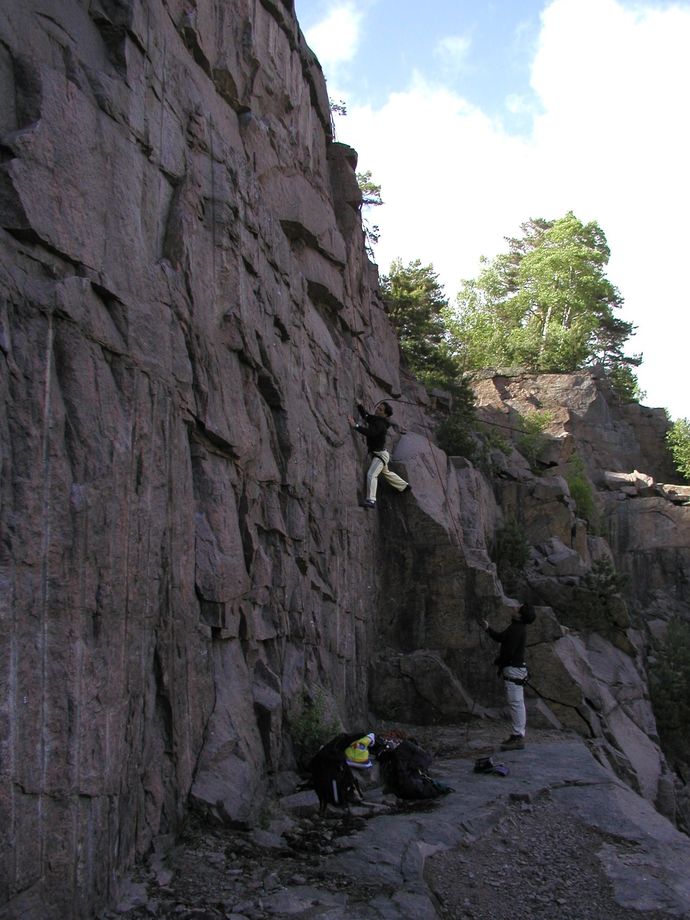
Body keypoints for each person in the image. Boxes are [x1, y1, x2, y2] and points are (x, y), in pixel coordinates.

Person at [482, 603, 536, 750]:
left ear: (520, 614)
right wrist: (488, 629)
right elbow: (501, 638)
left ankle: (518, 736)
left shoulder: (517, 629)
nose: (514, 607)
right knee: (516, 702)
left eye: (518, 608)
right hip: (515, 668)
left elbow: (509, 652)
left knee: (516, 702)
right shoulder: (516, 628)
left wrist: (499, 661)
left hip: (514, 669)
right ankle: (517, 734)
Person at [348, 401, 409, 508]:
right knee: (386, 473)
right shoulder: (377, 419)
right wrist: (360, 405)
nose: (377, 410)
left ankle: (371, 500)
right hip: (381, 454)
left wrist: (355, 426)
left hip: (380, 455)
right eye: (378, 408)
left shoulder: (381, 425)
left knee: (372, 474)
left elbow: (370, 433)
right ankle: (404, 486)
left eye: (380, 410)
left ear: (385, 414)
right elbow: (366, 416)